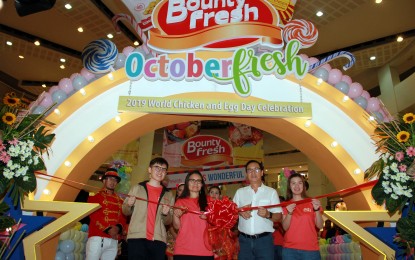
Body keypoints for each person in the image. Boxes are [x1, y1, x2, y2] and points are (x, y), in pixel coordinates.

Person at [122, 157, 174, 260]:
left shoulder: (169, 194)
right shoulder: (137, 188)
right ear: (149, 170)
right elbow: (125, 211)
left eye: (163, 169)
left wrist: (166, 214)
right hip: (137, 237)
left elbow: (168, 221)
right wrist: (129, 204)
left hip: (158, 240)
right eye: (157, 168)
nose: (160, 171)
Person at [233, 160, 282, 260]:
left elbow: (279, 216)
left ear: (262, 172)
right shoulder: (240, 192)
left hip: (264, 241)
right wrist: (240, 211)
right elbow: (230, 212)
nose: (253, 172)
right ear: (246, 174)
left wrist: (268, 214)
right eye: (249, 170)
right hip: (244, 241)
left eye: (256, 169)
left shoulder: (271, 192)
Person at [86, 168, 127, 260]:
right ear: (104, 180)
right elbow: (94, 215)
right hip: (97, 238)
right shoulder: (95, 197)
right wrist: (108, 229)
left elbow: (123, 218)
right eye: (110, 179)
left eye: (115, 180)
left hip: (113, 240)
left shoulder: (121, 201)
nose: (113, 182)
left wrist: (118, 228)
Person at [172, 171, 214, 259]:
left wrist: (209, 218)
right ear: (187, 183)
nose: (195, 183)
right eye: (192, 180)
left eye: (198, 181)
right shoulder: (180, 201)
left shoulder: (210, 201)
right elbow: (176, 227)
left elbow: (218, 223)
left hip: (205, 251)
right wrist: (176, 215)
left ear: (202, 184)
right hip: (183, 250)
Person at [282, 173, 323, 259]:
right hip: (290, 250)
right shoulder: (285, 205)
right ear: (289, 186)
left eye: (300, 183)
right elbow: (285, 228)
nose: (297, 186)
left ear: (303, 185)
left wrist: (316, 210)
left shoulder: (312, 202)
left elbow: (320, 225)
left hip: (310, 250)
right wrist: (289, 213)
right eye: (293, 183)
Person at [273, 196, 285, 260]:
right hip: (272, 243)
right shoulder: (273, 213)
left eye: (281, 201)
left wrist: (279, 226)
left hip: (282, 243)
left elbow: (285, 229)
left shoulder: (285, 213)